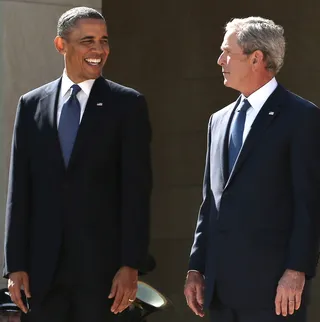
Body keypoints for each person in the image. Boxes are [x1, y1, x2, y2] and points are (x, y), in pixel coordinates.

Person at [3, 6, 152, 322]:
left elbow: (136, 191)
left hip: (102, 273)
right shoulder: (31, 105)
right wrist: (14, 265)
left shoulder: (127, 105)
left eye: (103, 40)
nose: (98, 50)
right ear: (61, 45)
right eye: (88, 41)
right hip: (41, 273)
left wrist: (130, 264)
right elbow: (20, 189)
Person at [184, 16, 320, 322]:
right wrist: (197, 268)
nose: (220, 60)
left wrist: (296, 271)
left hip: (273, 291)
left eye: (227, 52)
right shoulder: (217, 121)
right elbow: (210, 204)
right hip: (219, 291)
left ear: (257, 58)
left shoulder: (301, 117)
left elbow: (309, 204)